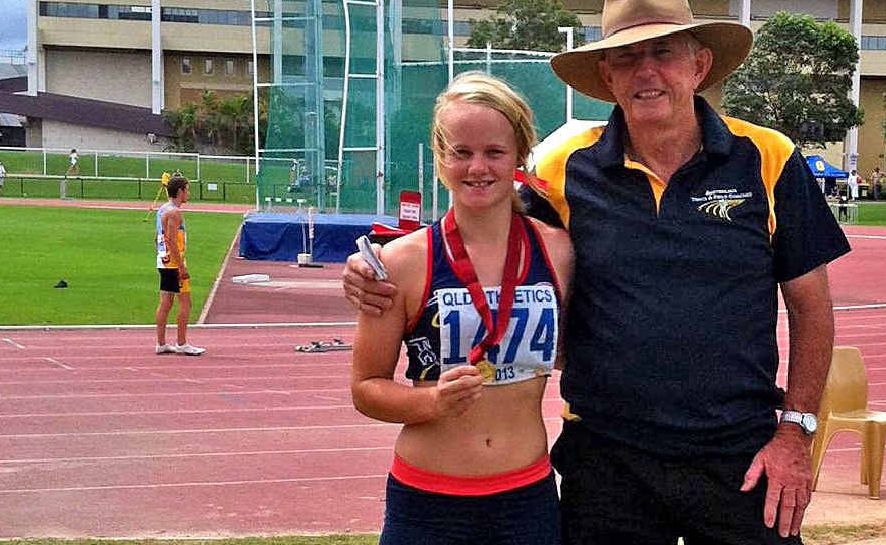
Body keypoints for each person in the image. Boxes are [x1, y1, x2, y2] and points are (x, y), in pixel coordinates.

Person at [343, 1, 851, 543]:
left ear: (700, 65)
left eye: (662, 53)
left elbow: (811, 307)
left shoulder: (770, 157)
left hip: (739, 455)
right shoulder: (563, 162)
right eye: (627, 57)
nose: (646, 71)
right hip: (607, 462)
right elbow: (486, 225)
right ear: (607, 75)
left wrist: (797, 431)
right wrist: (372, 267)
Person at [350, 72, 573, 544]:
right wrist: (431, 401)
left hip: (526, 499)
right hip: (429, 504)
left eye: (494, 152)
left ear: (519, 157)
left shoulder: (559, 252)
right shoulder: (401, 262)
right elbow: (366, 388)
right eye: (461, 152)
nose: (478, 167)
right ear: (439, 159)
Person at [155, 173, 206, 356]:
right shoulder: (175, 213)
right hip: (173, 264)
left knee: (166, 302)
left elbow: (158, 238)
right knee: (186, 303)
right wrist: (181, 267)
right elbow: (171, 241)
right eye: (187, 190)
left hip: (163, 261)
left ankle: (161, 343)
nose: (188, 194)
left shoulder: (162, 210)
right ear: (180, 191)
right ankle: (182, 343)